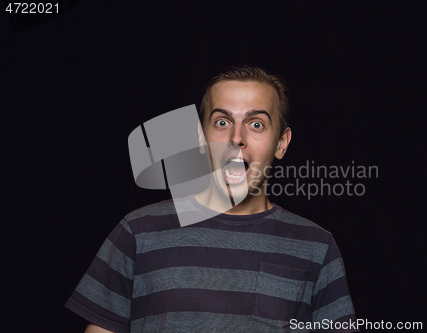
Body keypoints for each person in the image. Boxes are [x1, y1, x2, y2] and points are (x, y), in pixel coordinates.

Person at [65, 64, 359, 332]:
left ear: (281, 143)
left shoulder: (316, 246)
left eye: (256, 124)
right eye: (222, 122)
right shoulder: (138, 232)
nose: (236, 137)